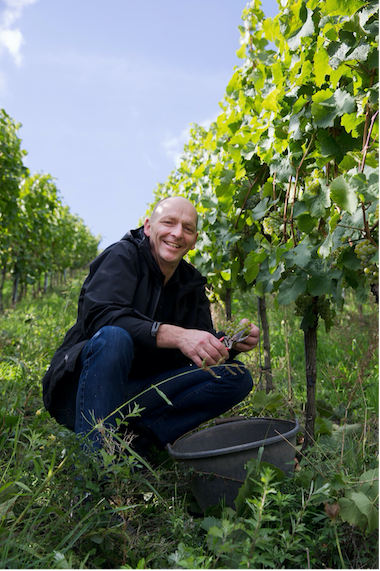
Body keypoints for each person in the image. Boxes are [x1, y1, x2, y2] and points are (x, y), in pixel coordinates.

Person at [42, 196, 260, 456]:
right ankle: (93, 472)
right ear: (148, 227)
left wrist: (230, 342)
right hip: (84, 393)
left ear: (194, 239)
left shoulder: (192, 285)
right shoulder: (122, 256)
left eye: (187, 228)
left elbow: (194, 352)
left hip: (141, 395)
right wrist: (176, 335)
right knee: (114, 337)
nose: (177, 233)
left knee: (237, 377)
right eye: (168, 222)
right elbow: (100, 316)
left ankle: (135, 446)